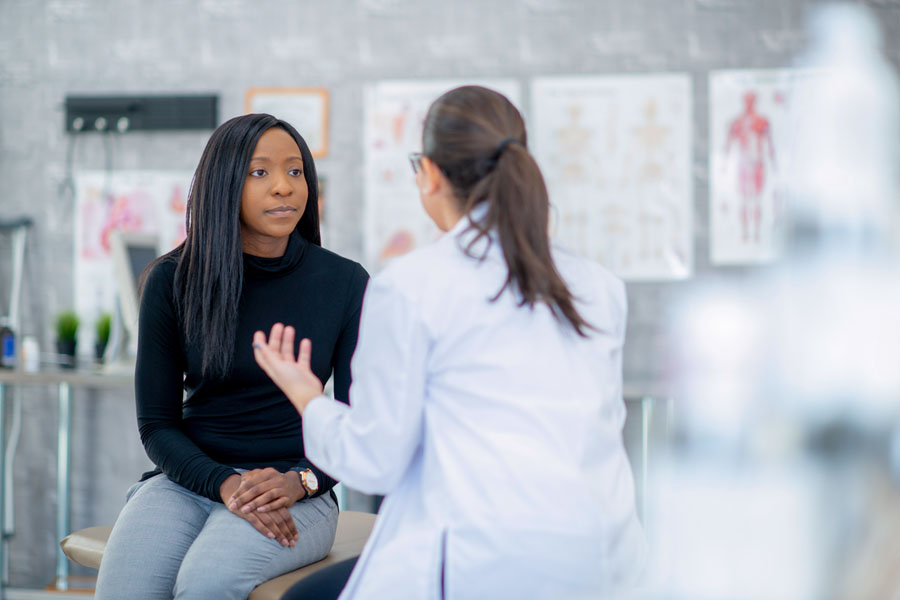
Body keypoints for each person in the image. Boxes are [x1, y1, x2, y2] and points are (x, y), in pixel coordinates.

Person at [248, 86, 646, 599]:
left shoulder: (413, 286)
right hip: (607, 562)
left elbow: (375, 462)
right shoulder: (598, 286)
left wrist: (306, 396)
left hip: (483, 567)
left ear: (430, 174)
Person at [94, 113, 369, 599]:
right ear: (224, 185)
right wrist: (223, 484)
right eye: (260, 172)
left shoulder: (346, 283)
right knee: (125, 589)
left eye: (295, 171)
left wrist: (300, 481)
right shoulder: (171, 280)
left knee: (206, 583)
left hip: (299, 488)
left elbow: (358, 423)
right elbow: (156, 424)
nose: (284, 187)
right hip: (190, 479)